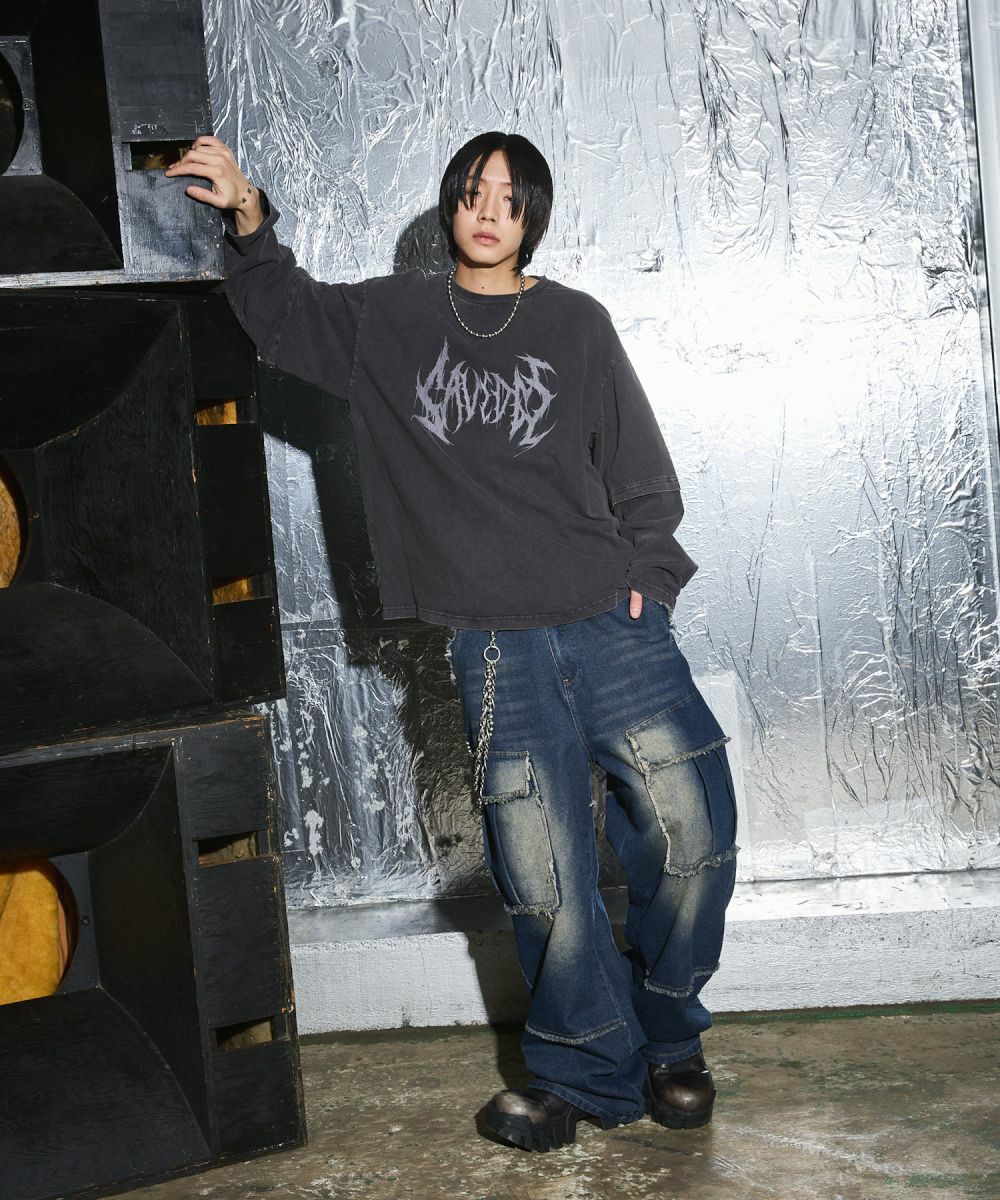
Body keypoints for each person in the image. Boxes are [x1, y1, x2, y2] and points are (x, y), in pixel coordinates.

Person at [165, 131, 738, 1154]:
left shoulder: (575, 322)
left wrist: (648, 581)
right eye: (474, 191)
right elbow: (281, 313)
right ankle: (580, 1072)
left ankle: (668, 1040)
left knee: (691, 836)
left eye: (510, 197)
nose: (488, 210)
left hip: (609, 622)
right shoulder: (391, 319)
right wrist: (248, 213)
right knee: (541, 875)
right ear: (449, 205)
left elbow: (640, 468)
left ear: (533, 217)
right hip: (495, 648)